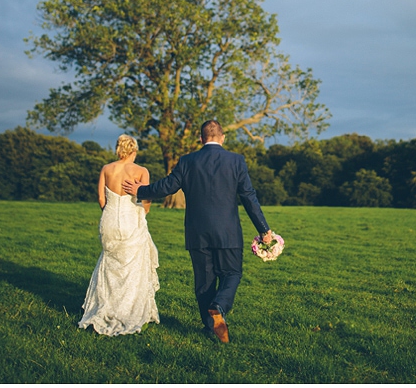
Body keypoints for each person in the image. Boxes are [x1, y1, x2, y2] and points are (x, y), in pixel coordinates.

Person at [123, 120, 274, 343]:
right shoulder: (236, 161)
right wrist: (264, 230)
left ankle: (209, 326)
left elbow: (167, 187)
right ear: (222, 138)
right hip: (228, 233)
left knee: (204, 282)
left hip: (197, 233)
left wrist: (141, 190)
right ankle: (218, 307)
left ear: (201, 139)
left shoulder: (187, 161)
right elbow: (248, 197)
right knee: (232, 274)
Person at [78, 134, 160, 335]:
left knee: (110, 266)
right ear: (134, 151)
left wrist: (110, 214)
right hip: (131, 218)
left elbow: (100, 197)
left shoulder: (107, 169)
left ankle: (106, 307)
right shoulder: (141, 171)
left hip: (109, 219)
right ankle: (128, 311)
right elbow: (146, 201)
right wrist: (140, 211)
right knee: (132, 268)